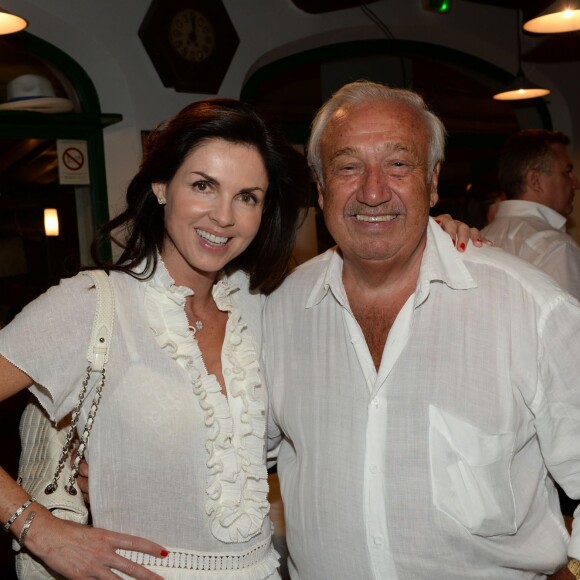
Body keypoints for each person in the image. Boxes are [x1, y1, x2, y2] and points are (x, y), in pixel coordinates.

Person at [0, 97, 478, 579]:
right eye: (204, 186)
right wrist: (37, 528)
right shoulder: (91, 304)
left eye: (247, 196)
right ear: (162, 186)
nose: (224, 217)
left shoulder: (265, 306)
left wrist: (431, 236)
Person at [262, 81, 580, 579]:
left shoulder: (530, 308)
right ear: (320, 188)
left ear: (432, 181)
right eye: (348, 167)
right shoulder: (277, 312)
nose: (372, 191)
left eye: (398, 164)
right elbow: (230, 455)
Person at [481, 129, 580, 301]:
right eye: (567, 172)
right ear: (535, 180)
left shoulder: (481, 237)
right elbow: (568, 326)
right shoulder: (556, 247)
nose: (576, 183)